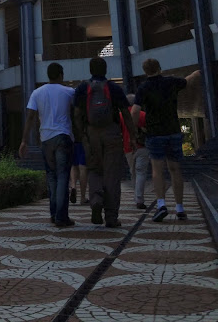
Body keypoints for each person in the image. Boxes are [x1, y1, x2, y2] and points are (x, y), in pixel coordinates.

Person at [132, 58, 200, 222]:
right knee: (175, 169)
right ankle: (180, 208)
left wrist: (135, 130)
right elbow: (187, 81)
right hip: (173, 131)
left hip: (155, 133)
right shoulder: (171, 82)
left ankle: (161, 205)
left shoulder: (143, 88)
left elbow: (134, 111)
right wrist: (197, 73)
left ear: (145, 71)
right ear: (159, 68)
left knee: (157, 170)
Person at [74, 56, 136, 228]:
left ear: (90, 70)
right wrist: (132, 136)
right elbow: (126, 113)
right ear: (106, 70)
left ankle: (95, 200)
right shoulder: (113, 87)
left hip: (91, 133)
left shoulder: (82, 88)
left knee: (94, 169)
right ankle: (111, 217)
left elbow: (77, 114)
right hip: (112, 133)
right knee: (112, 174)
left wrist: (82, 135)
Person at [19, 62, 75, 227]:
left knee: (51, 176)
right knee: (63, 176)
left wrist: (24, 141)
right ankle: (61, 216)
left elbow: (30, 117)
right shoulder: (69, 92)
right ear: (61, 75)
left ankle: (53, 213)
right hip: (63, 136)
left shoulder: (37, 93)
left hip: (46, 138)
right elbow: (77, 113)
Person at [121, 93, 149, 209]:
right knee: (141, 172)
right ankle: (139, 198)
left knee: (133, 173)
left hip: (128, 148)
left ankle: (137, 196)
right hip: (142, 146)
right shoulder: (143, 115)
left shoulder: (121, 116)